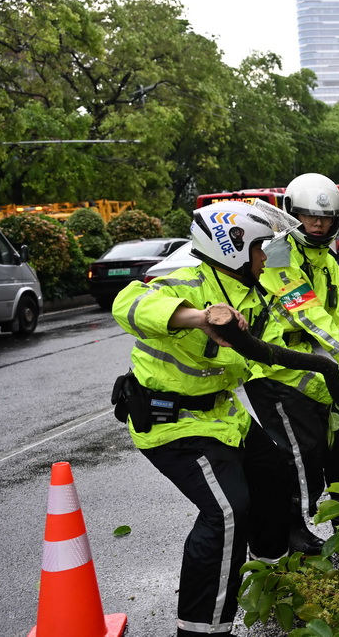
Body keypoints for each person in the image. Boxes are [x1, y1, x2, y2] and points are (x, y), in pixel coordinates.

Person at [111, 200, 298, 637]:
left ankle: (273, 575)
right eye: (259, 248)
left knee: (275, 473)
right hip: (171, 425)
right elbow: (129, 304)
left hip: (221, 415)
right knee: (227, 512)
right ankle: (200, 630)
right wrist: (198, 318)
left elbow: (271, 361)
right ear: (233, 247)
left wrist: (335, 389)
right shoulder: (184, 278)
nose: (265, 257)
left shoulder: (253, 295)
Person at [244, 173, 339, 550]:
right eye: (309, 216)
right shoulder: (276, 253)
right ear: (292, 214)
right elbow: (308, 314)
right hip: (274, 371)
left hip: (315, 373)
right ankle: (290, 528)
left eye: (326, 218)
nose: (318, 224)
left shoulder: (328, 261)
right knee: (303, 452)